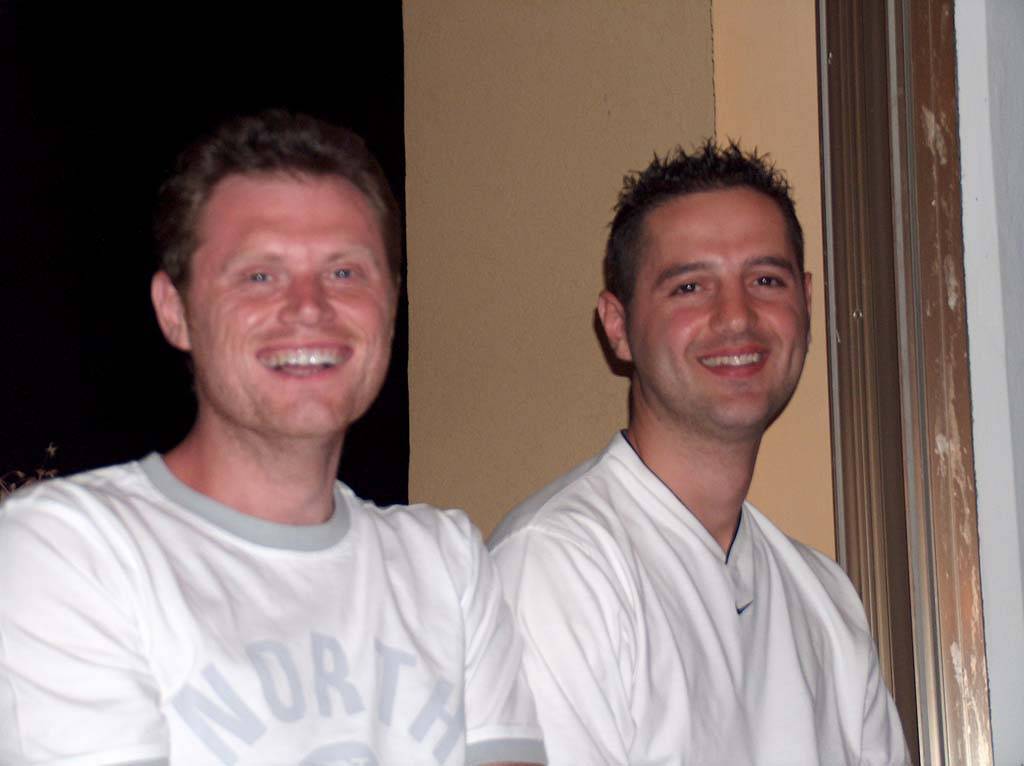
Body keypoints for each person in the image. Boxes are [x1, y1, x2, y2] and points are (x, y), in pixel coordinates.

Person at [0, 111, 545, 766]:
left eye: (345, 273)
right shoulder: (72, 550)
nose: (309, 306)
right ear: (175, 311)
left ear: (392, 304)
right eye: (259, 275)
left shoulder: (446, 563)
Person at [489, 141, 908, 765]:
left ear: (806, 302)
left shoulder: (826, 599)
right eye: (689, 287)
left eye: (765, 280)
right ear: (618, 326)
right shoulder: (556, 568)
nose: (736, 317)